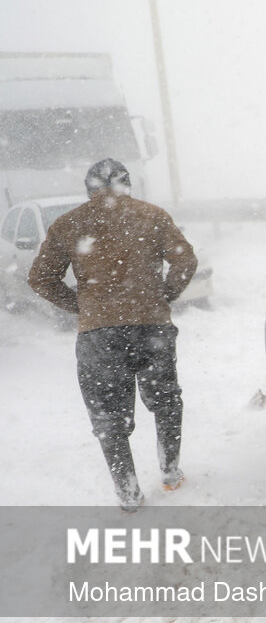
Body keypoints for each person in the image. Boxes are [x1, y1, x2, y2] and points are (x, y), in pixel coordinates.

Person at [28, 158, 198, 512]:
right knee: (166, 401)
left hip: (98, 334)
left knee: (109, 418)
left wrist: (81, 305)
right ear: (127, 184)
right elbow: (185, 261)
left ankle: (128, 493)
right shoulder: (151, 215)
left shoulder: (68, 224)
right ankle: (170, 472)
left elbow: (41, 278)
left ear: (89, 189)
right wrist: (165, 293)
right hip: (151, 326)